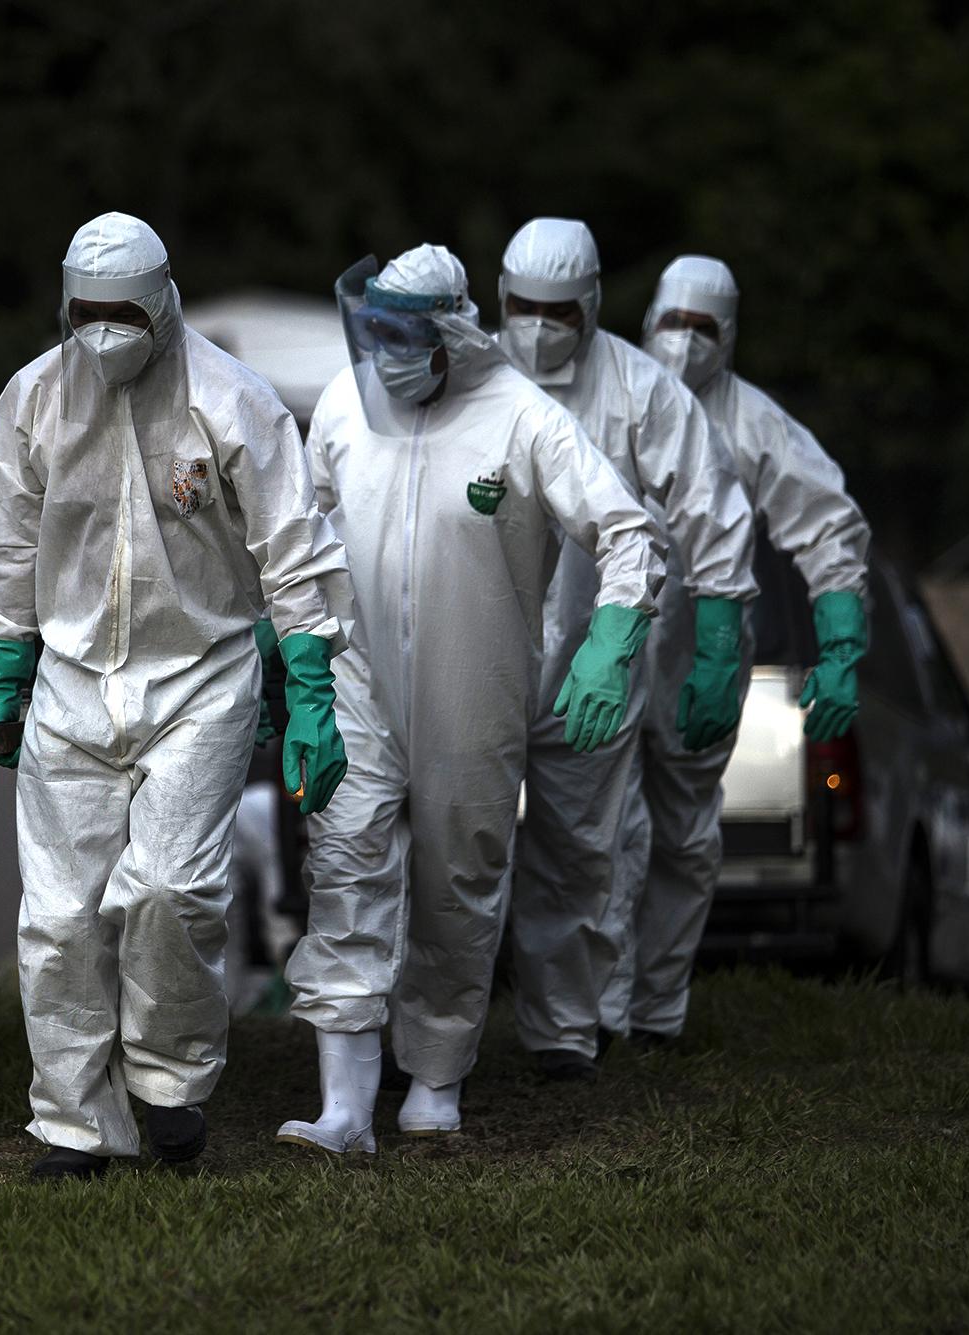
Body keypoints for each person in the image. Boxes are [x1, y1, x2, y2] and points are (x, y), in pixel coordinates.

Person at [0, 212, 354, 1180]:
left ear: (162, 301)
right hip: (69, 680)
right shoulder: (33, 399)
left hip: (201, 675)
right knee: (57, 916)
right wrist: (2, 661)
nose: (102, 332)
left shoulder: (232, 399)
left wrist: (307, 679)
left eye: (122, 314)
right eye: (84, 312)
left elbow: (291, 549)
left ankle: (169, 1081)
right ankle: (72, 1125)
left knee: (170, 890)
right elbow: (9, 541)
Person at [276, 245, 666, 1150]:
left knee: (458, 882)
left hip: (477, 694)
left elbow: (623, 528)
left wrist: (612, 639)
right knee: (344, 867)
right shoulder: (343, 403)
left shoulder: (523, 419)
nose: (387, 352)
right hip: (357, 684)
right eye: (375, 332)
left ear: (453, 331)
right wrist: (287, 655)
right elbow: (299, 534)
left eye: (407, 336)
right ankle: (343, 1106)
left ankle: (435, 1080)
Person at [494, 218, 758, 1082]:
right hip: (477, 661)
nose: (538, 325)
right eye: (523, 306)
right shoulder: (471, 375)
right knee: (452, 852)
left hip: (592, 662)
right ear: (499, 299)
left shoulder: (641, 391)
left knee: (580, 851)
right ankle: (425, 1038)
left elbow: (711, 508)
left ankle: (567, 1029)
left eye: (558, 309)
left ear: (595, 303)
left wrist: (719, 627)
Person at [600, 254, 873, 1045]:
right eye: (672, 322)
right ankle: (599, 1014)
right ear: (647, 319)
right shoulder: (610, 394)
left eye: (703, 326)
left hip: (702, 657)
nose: (684, 341)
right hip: (608, 644)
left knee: (683, 837)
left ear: (730, 335)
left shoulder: (754, 421)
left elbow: (827, 524)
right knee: (603, 833)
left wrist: (843, 640)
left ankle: (655, 1011)